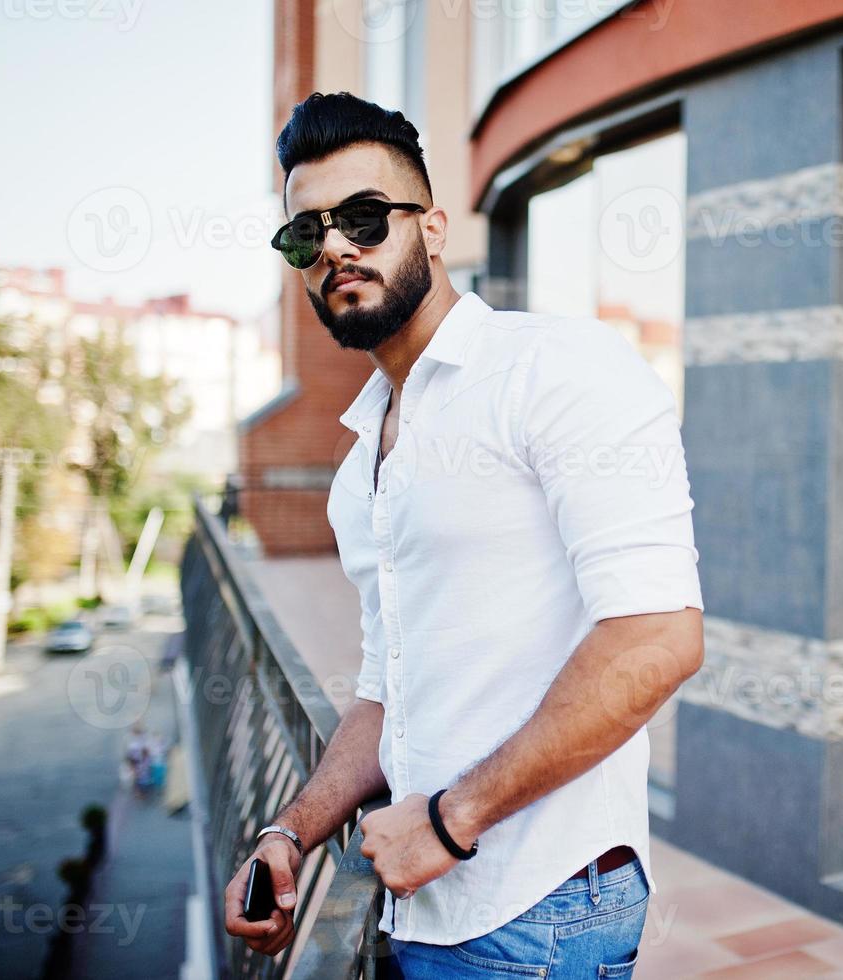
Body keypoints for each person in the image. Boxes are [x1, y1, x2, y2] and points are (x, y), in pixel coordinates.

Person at [222, 92, 705, 979]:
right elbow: (385, 694)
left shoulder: (557, 370)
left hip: (542, 914)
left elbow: (658, 638)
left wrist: (450, 820)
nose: (334, 247)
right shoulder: (360, 460)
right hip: (422, 905)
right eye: (305, 234)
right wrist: (290, 831)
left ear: (434, 229)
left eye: (364, 219)